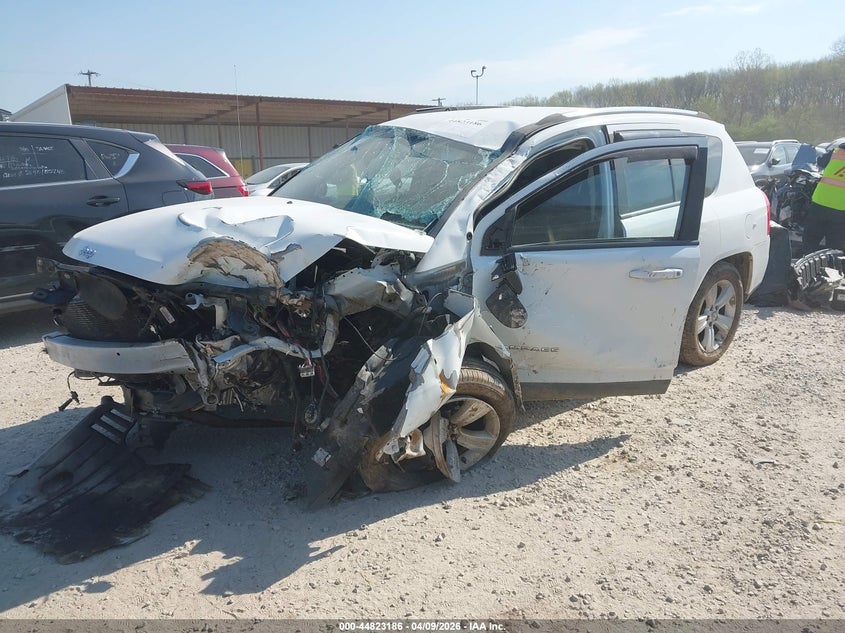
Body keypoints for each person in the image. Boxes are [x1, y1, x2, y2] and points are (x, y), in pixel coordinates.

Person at [802, 140, 845, 255]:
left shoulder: (836, 152)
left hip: (820, 203)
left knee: (810, 241)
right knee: (834, 247)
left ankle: (805, 269)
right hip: (840, 210)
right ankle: (831, 269)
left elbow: (820, 162)